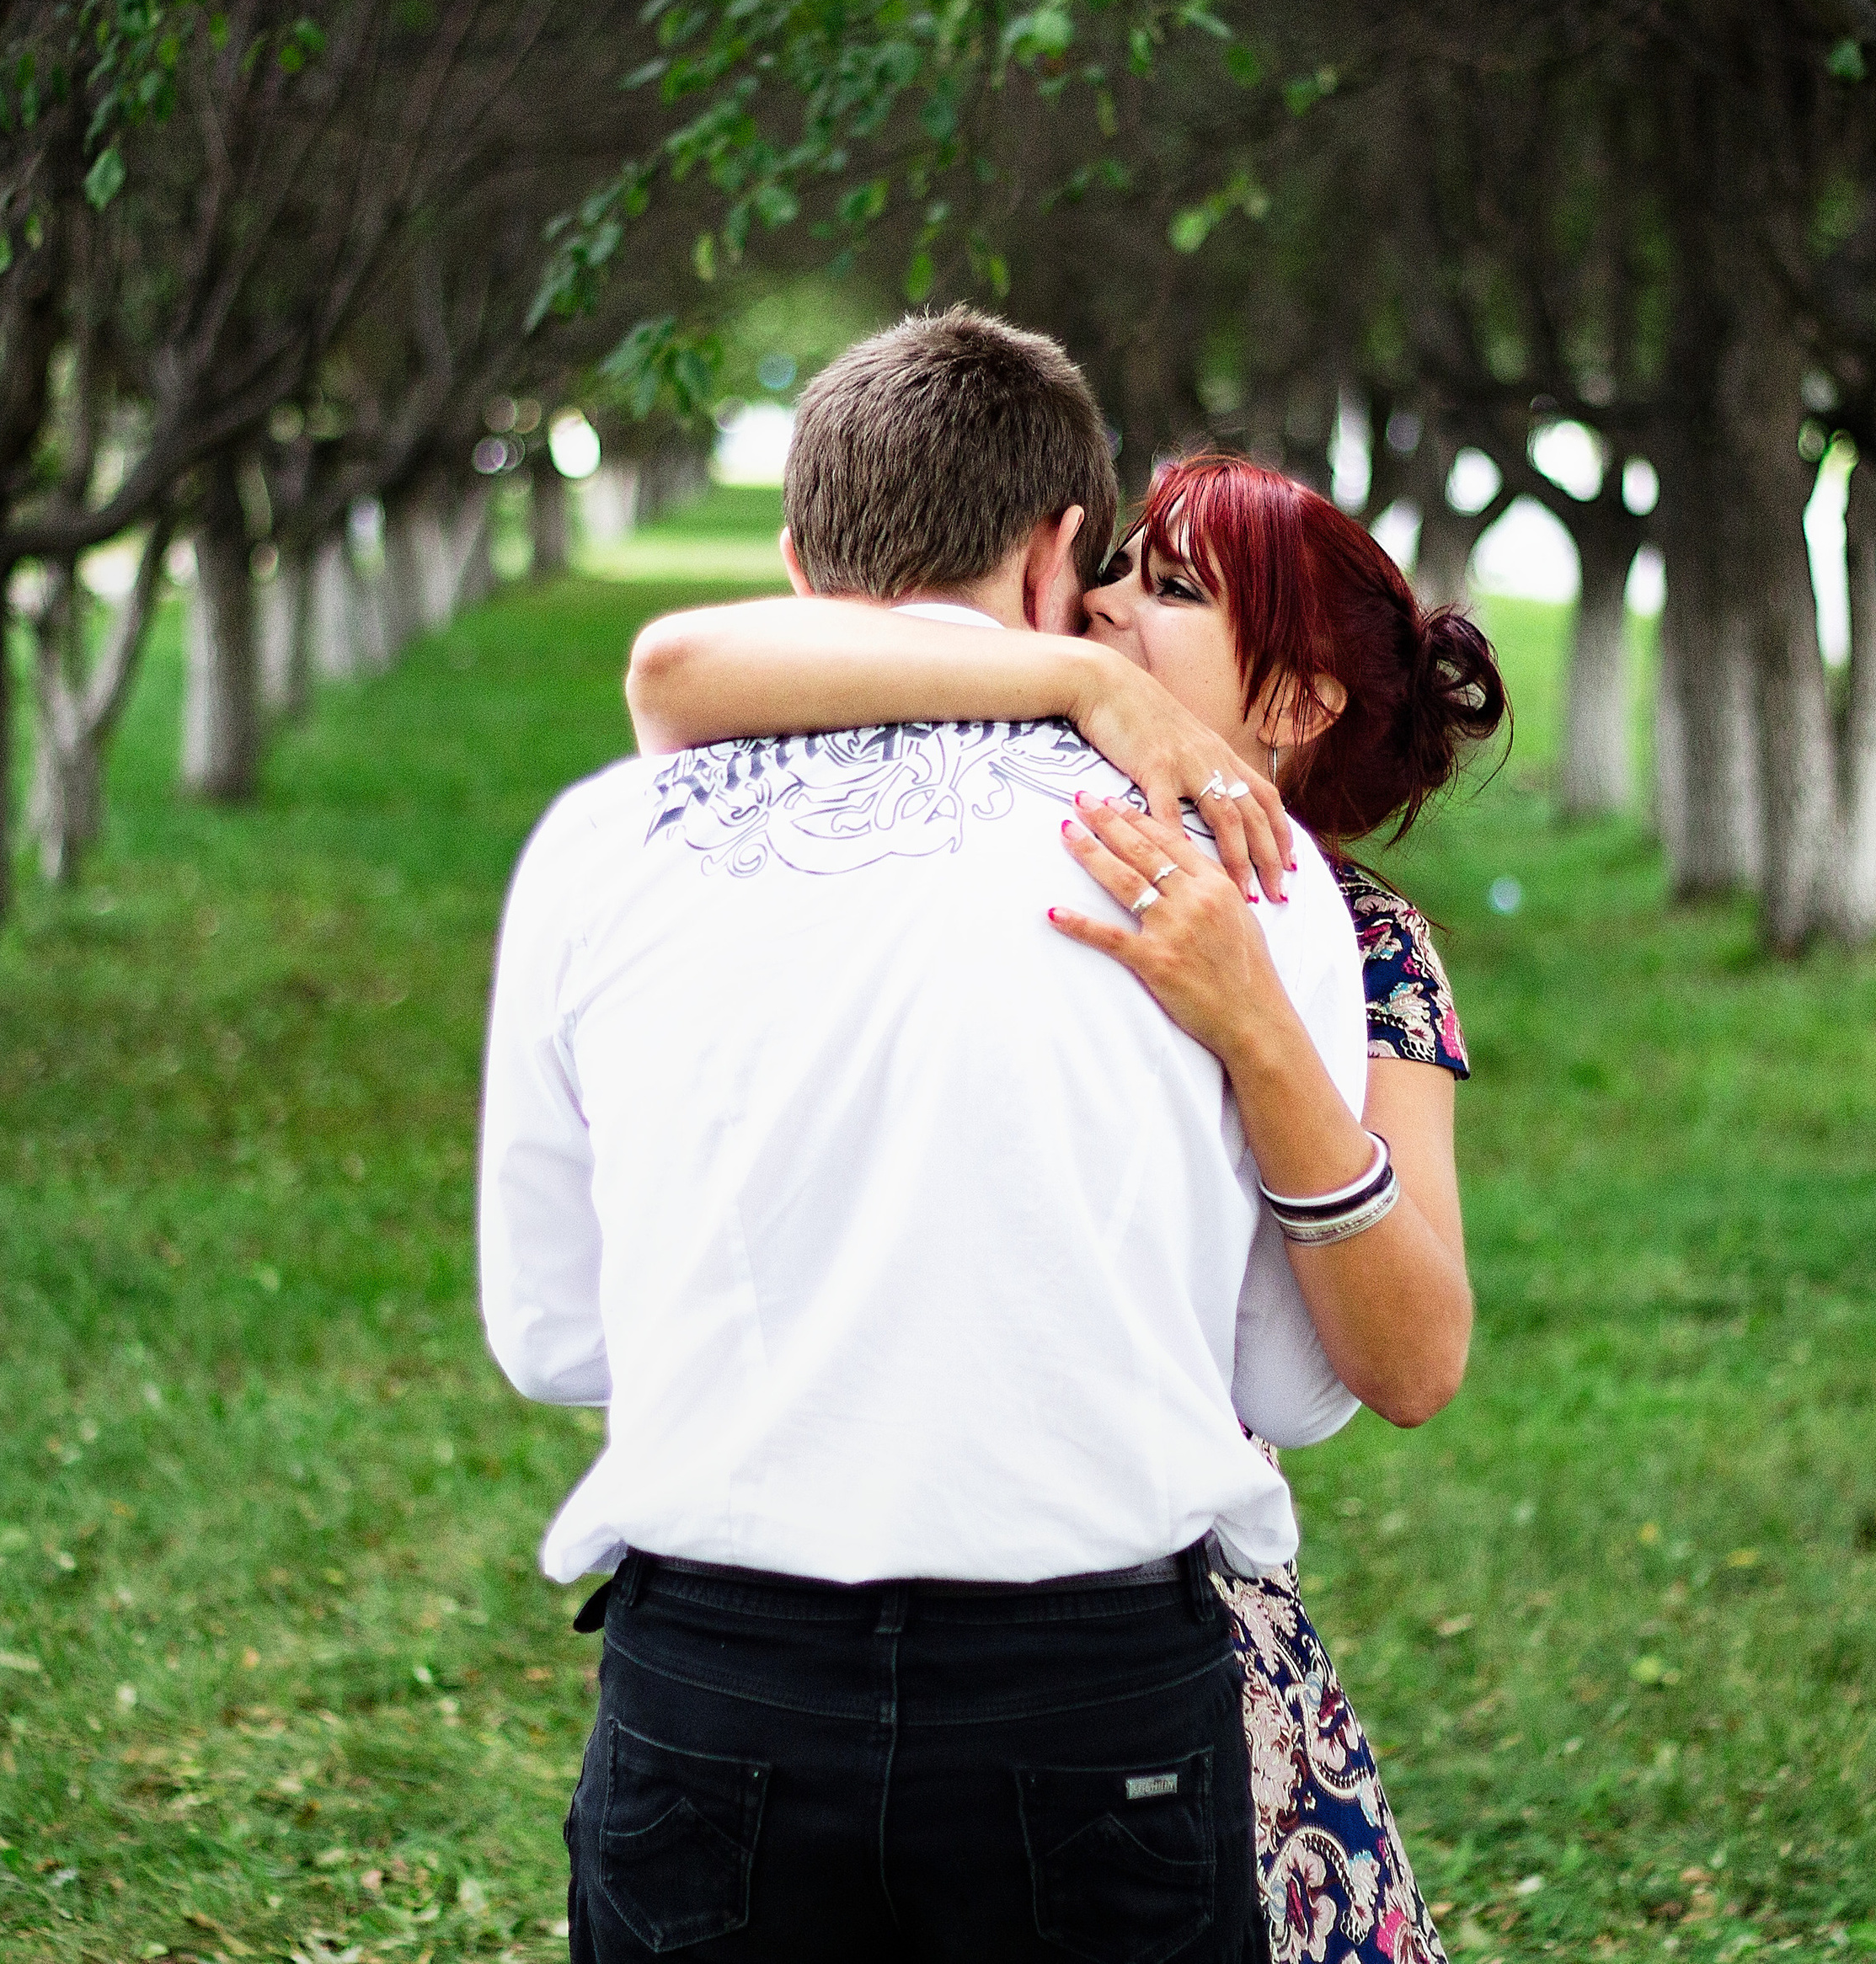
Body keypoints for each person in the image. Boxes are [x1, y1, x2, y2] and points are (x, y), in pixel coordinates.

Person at [479, 309, 1427, 1964]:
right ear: (1062, 552)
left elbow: (553, 1336)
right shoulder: (1242, 874)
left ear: (794, 565)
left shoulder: (595, 841)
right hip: (1091, 1705)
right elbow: (1289, 1389)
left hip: (719, 1687)